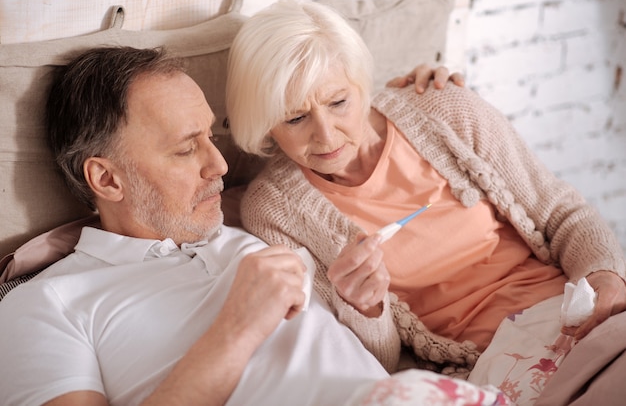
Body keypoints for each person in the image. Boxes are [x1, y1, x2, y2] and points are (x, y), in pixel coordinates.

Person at [0, 46, 479, 406]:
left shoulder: (256, 232)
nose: (220, 166)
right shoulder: (44, 304)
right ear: (106, 178)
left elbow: (373, 365)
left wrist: (402, 102)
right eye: (187, 149)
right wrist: (237, 328)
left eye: (211, 136)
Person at [225, 0, 626, 401]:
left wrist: (606, 274)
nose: (326, 136)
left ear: (360, 85)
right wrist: (365, 308)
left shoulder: (443, 106)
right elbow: (374, 362)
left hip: (572, 309)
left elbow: (562, 214)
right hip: (492, 363)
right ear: (264, 125)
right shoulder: (274, 211)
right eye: (295, 118)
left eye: (338, 102)